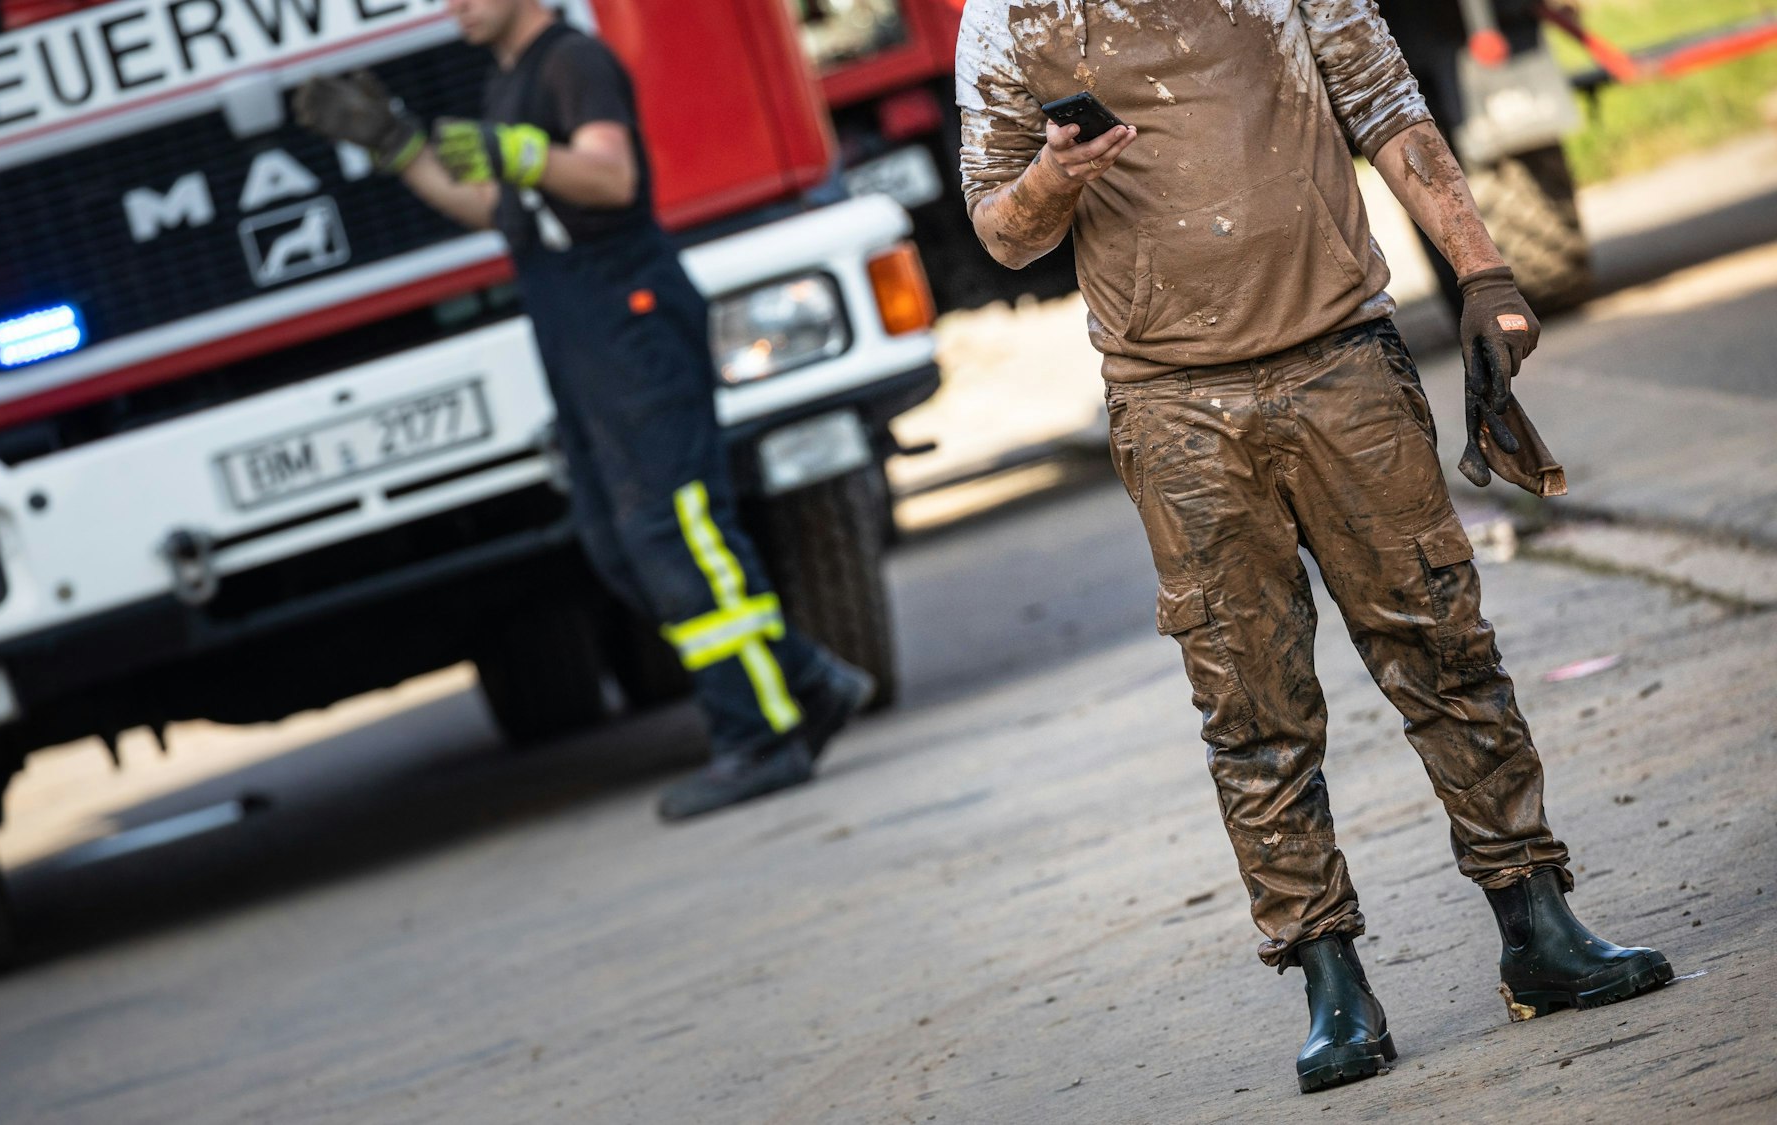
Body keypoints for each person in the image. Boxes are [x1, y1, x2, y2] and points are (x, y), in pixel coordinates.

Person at [954, 0, 1670, 1094]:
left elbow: (1388, 106)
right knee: (1251, 709)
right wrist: (1057, 173)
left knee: (1443, 651)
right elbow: (1001, 230)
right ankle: (1327, 976)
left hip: (1341, 359)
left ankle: (1538, 926)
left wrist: (1480, 274)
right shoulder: (1007, 19)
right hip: (1172, 405)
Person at [291, 0, 873, 821]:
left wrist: (522, 152)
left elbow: (612, 175)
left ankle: (762, 734)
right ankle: (806, 679)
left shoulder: (573, 63)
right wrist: (402, 148)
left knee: (679, 530)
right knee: (619, 541)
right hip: (581, 334)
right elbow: (499, 205)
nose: (451, 7)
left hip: (629, 320)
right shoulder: (507, 82)